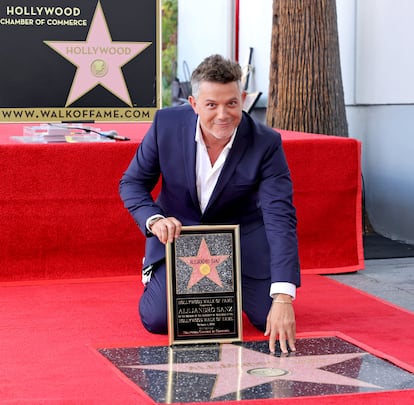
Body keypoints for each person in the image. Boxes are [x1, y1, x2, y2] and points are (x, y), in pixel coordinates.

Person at [119, 54, 300, 354]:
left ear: (242, 98)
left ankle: (230, 289)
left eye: (231, 103)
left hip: (241, 244)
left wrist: (283, 297)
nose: (223, 114)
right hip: (180, 240)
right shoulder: (166, 125)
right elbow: (132, 183)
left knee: (266, 317)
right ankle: (161, 274)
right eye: (211, 105)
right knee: (157, 320)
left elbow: (280, 217)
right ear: (193, 104)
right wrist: (155, 220)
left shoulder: (267, 143)